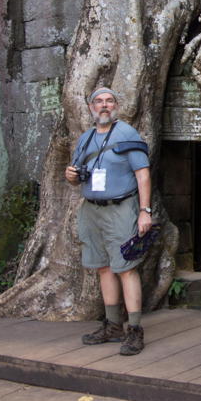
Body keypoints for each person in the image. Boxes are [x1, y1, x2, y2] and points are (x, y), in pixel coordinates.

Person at [65, 87, 152, 355]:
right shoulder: (86, 138)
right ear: (91, 107)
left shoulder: (126, 133)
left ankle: (134, 329)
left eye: (109, 101)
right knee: (103, 267)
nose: (104, 105)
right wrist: (71, 175)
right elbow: (79, 173)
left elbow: (143, 174)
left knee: (125, 267)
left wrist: (144, 210)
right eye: (99, 101)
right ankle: (113, 325)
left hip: (121, 208)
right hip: (92, 210)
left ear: (116, 105)